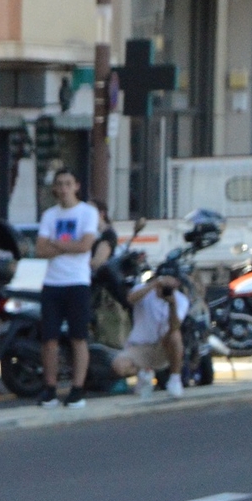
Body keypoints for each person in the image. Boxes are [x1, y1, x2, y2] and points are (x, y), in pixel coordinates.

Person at [33, 169, 103, 408]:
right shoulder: (49, 215)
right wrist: (66, 246)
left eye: (67, 184)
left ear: (76, 186)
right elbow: (40, 249)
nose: (63, 189)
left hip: (77, 282)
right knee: (49, 339)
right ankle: (50, 388)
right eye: (59, 184)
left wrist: (56, 243)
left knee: (78, 337)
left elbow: (85, 245)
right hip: (52, 283)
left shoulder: (88, 212)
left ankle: (77, 388)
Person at [113, 264, 190, 397]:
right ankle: (145, 374)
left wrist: (172, 304)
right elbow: (130, 299)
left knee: (175, 335)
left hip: (164, 347)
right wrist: (153, 285)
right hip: (140, 347)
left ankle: (175, 379)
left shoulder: (180, 300)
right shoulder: (144, 291)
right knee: (119, 366)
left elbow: (175, 326)